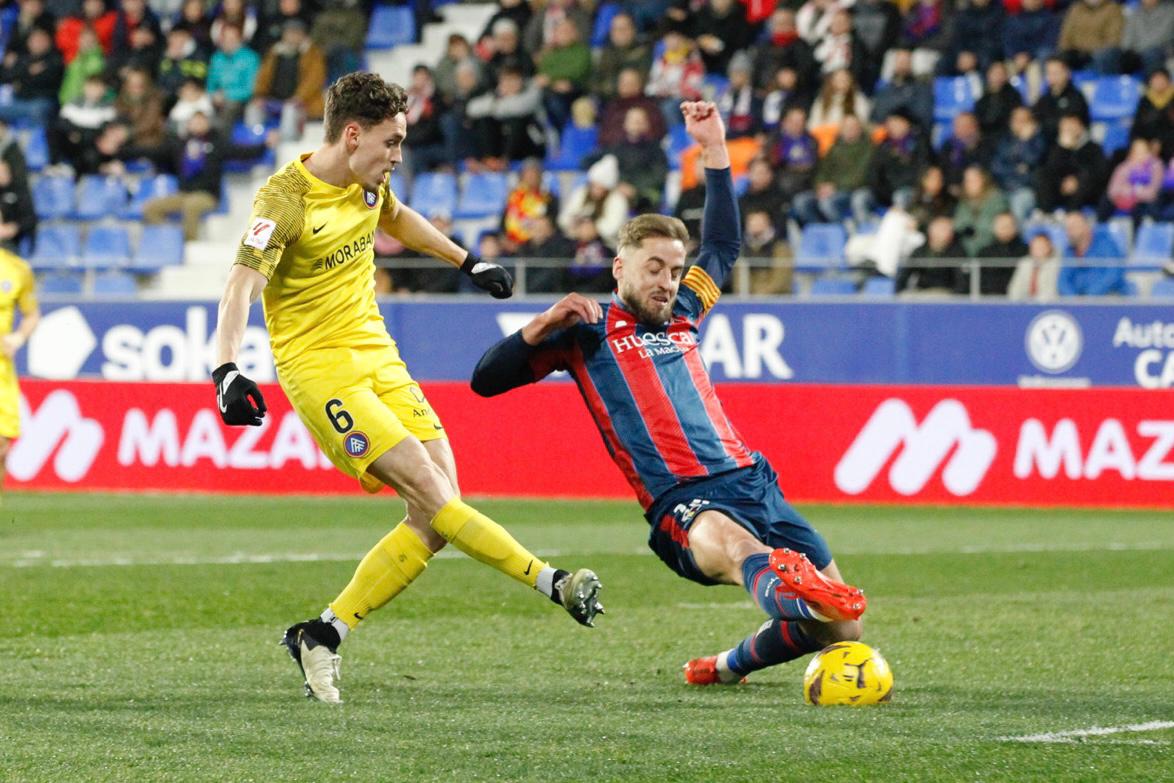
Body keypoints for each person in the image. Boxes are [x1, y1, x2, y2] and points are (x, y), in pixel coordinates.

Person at [212, 73, 603, 704]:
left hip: (379, 356)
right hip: (320, 370)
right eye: (391, 142)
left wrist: (468, 261)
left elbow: (395, 217)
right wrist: (226, 369)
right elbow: (240, 284)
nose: (398, 155)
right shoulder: (284, 202)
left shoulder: (369, 181)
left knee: (440, 510)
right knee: (431, 490)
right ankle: (552, 581)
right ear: (352, 134)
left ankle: (323, 633)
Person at [471, 102, 866, 687]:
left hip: (752, 480)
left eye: (675, 270)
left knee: (844, 628)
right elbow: (484, 381)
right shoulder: (584, 332)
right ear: (619, 267)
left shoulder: (684, 311)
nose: (666, 281)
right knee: (738, 549)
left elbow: (722, 245)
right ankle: (787, 587)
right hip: (683, 502)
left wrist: (714, 150)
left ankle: (724, 667)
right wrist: (540, 324)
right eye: (653, 268)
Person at [0, 245, 39, 495]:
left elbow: (31, 314)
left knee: (1, 448)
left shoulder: (17, 269)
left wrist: (18, 338)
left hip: (1, 371)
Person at [1057, 211, 1128, 295]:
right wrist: (1073, 298)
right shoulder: (1069, 251)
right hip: (1078, 298)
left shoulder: (1105, 243)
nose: (1069, 232)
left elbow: (1113, 273)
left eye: (1073, 227)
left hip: (1108, 296)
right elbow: (1063, 280)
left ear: (1086, 227)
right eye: (1067, 228)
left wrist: (1090, 296)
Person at [1007, 230, 1061, 300]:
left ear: (1049, 246)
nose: (1038, 249)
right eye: (1035, 246)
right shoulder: (1024, 263)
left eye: (1041, 246)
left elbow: (1052, 291)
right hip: (1023, 303)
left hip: (1046, 303)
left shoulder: (1056, 264)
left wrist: (1035, 302)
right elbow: (1015, 287)